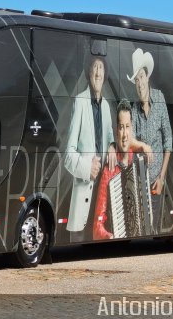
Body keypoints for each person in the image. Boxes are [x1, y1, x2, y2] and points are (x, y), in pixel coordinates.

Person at [64, 54, 114, 241]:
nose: (98, 72)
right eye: (95, 68)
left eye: (101, 68)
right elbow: (68, 154)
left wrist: (111, 145)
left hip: (103, 191)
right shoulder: (80, 101)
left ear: (105, 74)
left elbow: (110, 137)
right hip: (85, 191)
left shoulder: (107, 107)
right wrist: (87, 167)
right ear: (89, 73)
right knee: (79, 242)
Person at [127, 48, 172, 234]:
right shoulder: (133, 109)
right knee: (140, 228)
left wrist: (161, 178)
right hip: (138, 181)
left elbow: (168, 140)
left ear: (148, 78)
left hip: (155, 181)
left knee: (154, 228)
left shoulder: (160, 98)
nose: (140, 84)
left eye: (142, 77)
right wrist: (142, 146)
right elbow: (130, 141)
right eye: (136, 80)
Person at [93, 99, 135, 240]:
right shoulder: (108, 171)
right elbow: (97, 227)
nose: (124, 134)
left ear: (132, 128)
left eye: (127, 127)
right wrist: (111, 236)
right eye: (121, 127)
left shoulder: (137, 163)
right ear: (116, 130)